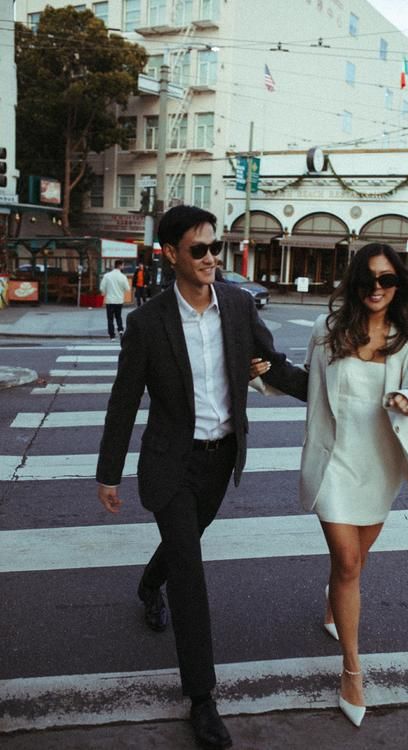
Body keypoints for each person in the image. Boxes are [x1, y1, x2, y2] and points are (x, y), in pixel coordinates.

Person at [96, 205, 307, 750]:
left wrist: (338, 396)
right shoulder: (148, 323)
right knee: (190, 572)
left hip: (220, 460)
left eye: (216, 247)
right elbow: (124, 401)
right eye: (199, 249)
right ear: (171, 254)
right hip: (171, 462)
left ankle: (148, 583)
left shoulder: (236, 307)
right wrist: (108, 473)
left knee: (183, 546)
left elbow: (274, 366)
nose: (212, 257)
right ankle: (203, 698)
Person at [299, 243, 408, 728]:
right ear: (354, 283)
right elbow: (307, 381)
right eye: (367, 280)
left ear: (400, 285)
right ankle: (352, 670)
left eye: (387, 280)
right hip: (333, 463)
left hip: (380, 463)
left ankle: (333, 599)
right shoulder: (327, 333)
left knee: (355, 563)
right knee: (348, 562)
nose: (377, 289)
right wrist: (261, 376)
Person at [99, 260, 130, 340]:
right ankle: (120, 330)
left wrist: (105, 292)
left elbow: (102, 288)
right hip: (119, 300)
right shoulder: (123, 277)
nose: (123, 267)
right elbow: (127, 288)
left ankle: (112, 335)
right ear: (120, 266)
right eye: (123, 265)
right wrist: (121, 290)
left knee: (110, 319)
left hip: (109, 300)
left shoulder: (107, 276)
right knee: (118, 316)